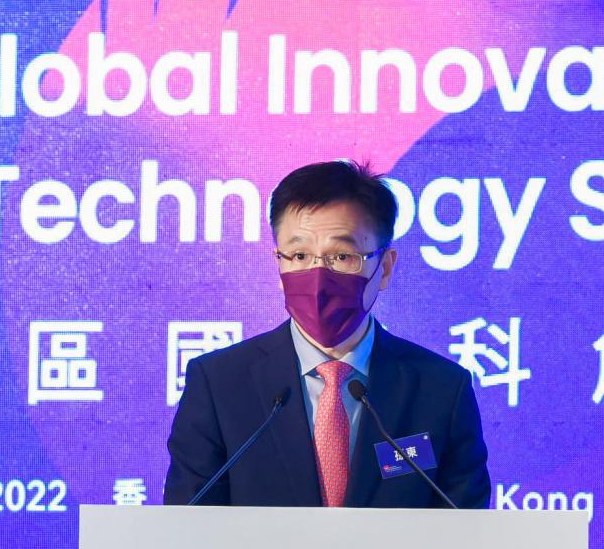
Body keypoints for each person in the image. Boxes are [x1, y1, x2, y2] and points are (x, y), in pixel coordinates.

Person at [164, 159, 491, 508]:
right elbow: (189, 523)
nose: (318, 274)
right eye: (299, 255)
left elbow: (465, 526)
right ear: (279, 263)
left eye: (342, 256)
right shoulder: (220, 384)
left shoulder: (442, 389)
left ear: (384, 268)